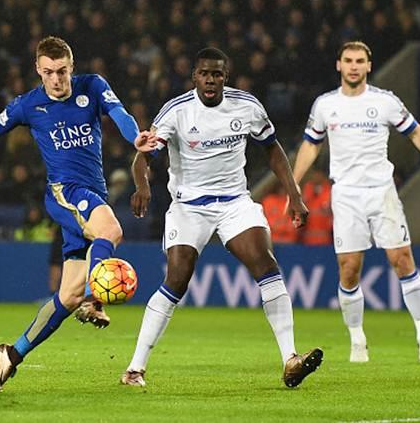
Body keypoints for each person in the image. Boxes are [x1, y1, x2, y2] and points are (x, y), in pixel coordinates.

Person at [0, 36, 156, 392]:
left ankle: (12, 353)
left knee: (65, 296)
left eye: (63, 71)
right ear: (38, 70)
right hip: (65, 192)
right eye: (49, 72)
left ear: (72, 66)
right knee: (111, 231)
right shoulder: (28, 105)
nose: (57, 79)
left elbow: (121, 114)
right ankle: (94, 297)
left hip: (91, 193)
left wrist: (135, 139)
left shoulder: (93, 86)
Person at [122, 48, 323, 388]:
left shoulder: (247, 106)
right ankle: (134, 369)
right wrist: (142, 185)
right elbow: (143, 156)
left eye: (217, 74)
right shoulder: (177, 111)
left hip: (234, 203)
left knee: (266, 264)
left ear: (225, 77)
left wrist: (294, 193)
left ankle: (290, 359)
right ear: (194, 77)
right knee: (177, 279)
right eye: (204, 74)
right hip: (189, 206)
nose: (210, 80)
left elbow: (272, 149)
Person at [293, 41, 420, 364]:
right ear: (338, 65)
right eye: (348, 60)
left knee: (402, 259)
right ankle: (358, 342)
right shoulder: (325, 105)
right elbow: (311, 146)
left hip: (382, 191)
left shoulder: (384, 102)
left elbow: (415, 133)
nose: (354, 66)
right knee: (349, 269)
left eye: (360, 61)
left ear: (369, 66)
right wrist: (294, 186)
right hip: (345, 194)